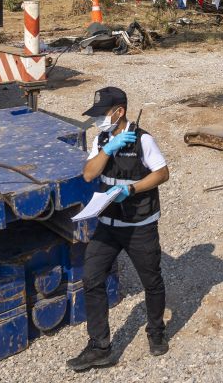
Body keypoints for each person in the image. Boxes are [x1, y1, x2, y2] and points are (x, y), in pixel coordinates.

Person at [67, 87, 170, 372]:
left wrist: (133, 188)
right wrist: (107, 149)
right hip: (108, 226)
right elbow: (90, 173)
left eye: (102, 114)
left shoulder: (143, 139)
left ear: (119, 111)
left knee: (151, 281)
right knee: (92, 278)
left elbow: (162, 173)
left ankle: (156, 331)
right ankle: (100, 347)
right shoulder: (100, 138)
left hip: (139, 226)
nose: (99, 120)